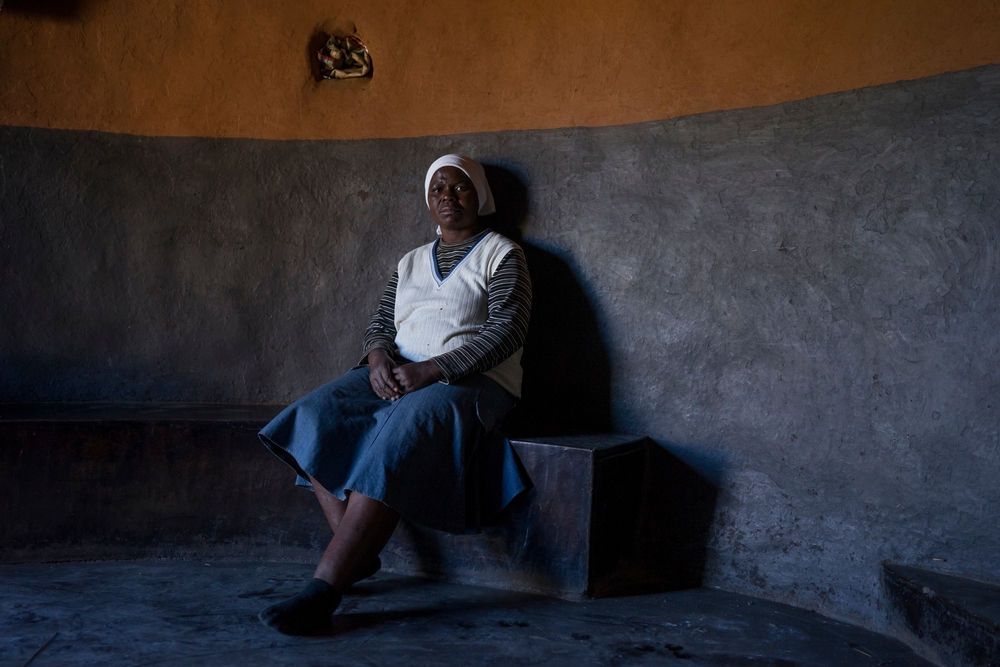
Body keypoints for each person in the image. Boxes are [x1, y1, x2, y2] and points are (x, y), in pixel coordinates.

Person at [256, 155, 533, 635]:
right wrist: (379, 358)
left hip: (471, 384)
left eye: (460, 188)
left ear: (480, 196)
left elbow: (507, 330)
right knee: (315, 416)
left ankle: (324, 589)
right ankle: (358, 557)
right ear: (428, 201)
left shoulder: (501, 253)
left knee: (403, 435)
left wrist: (435, 368)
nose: (448, 197)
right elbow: (382, 323)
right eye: (437, 189)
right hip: (400, 372)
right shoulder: (410, 262)